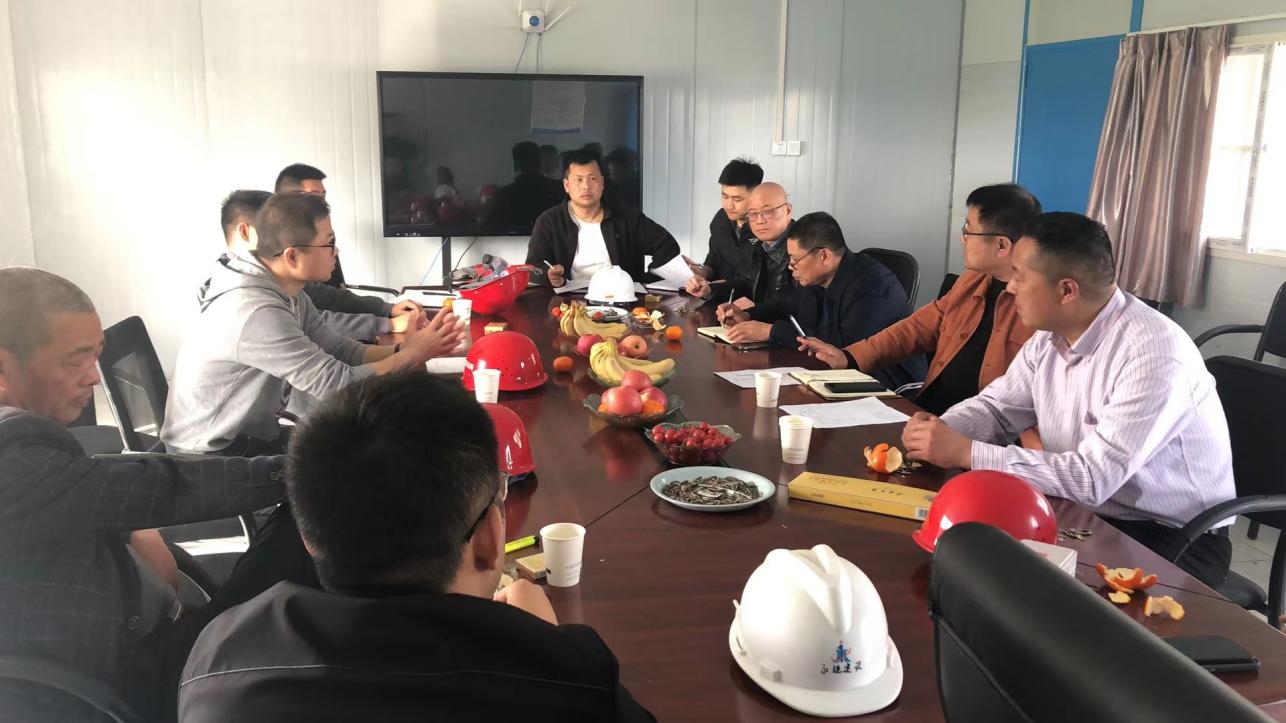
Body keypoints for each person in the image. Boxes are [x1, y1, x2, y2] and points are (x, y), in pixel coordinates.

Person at [179, 373, 657, 722]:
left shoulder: (219, 657)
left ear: (308, 538)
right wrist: (542, 642)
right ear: (492, 537)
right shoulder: (571, 678)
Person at [0, 267, 298, 722]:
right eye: (74, 361)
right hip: (115, 681)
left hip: (130, 631)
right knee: (298, 536)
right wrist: (298, 471)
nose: (93, 377)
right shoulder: (13, 451)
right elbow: (163, 487)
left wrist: (129, 529)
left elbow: (87, 491)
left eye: (95, 357)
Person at [901, 212, 1236, 587]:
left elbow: (1092, 479)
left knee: (1010, 586)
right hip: (1084, 510)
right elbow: (997, 409)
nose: (1009, 287)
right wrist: (940, 431)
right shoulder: (1050, 336)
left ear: (1066, 291)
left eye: (1019, 276)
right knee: (963, 556)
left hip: (1171, 537)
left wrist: (966, 452)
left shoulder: (1154, 354)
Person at [162, 192, 465, 455]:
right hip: (211, 456)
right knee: (370, 454)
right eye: (329, 243)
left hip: (250, 436)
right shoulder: (255, 310)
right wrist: (413, 354)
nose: (336, 252)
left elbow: (340, 349)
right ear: (293, 256)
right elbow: (338, 386)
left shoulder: (288, 291)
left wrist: (406, 349)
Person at [798, 184, 1042, 414]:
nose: (963, 238)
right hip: (933, 410)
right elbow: (918, 328)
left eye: (968, 230)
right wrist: (850, 357)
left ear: (1001, 245)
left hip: (979, 430)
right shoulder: (973, 280)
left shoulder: (1038, 307)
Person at [721, 212, 925, 389]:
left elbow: (842, 348)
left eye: (795, 259)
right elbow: (785, 306)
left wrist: (772, 332)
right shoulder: (816, 277)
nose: (790, 266)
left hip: (886, 386)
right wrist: (747, 315)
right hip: (831, 376)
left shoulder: (873, 285)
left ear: (824, 256)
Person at [215, 190, 413, 341]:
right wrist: (386, 325)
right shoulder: (246, 299)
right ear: (245, 232)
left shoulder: (279, 279)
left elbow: (324, 302)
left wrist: (386, 309)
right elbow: (319, 333)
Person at [275, 162, 420, 319]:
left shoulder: (322, 232)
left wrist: (385, 309)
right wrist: (384, 322)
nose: (323, 203)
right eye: (315, 197)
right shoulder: (277, 254)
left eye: (323, 196)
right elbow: (316, 315)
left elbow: (332, 295)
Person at [526, 148, 681, 288]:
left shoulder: (627, 216)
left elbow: (668, 247)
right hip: (570, 299)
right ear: (566, 186)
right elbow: (533, 268)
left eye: (592, 179)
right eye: (578, 180)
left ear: (602, 183)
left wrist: (645, 282)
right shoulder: (549, 221)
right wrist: (550, 276)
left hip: (621, 299)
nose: (586, 186)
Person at [684, 158, 764, 302]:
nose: (729, 205)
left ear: (756, 196)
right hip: (718, 300)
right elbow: (713, 262)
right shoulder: (721, 220)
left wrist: (715, 287)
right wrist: (700, 271)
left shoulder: (765, 228)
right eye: (724, 196)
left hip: (751, 306)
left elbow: (752, 282)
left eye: (737, 199)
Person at [494, 141, 566, 227]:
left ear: (516, 165)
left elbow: (493, 227)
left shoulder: (504, 194)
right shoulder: (559, 189)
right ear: (539, 162)